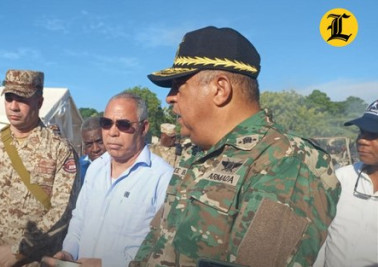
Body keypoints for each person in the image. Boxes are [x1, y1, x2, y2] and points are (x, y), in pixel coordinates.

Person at [131, 26, 340, 266]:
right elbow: (157, 240)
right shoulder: (195, 153)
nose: (169, 96)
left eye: (179, 84)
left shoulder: (287, 161)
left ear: (220, 89)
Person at [0, 69, 78, 267]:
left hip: (40, 261)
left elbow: (63, 210)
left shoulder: (60, 149)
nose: (14, 107)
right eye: (9, 98)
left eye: (22, 99)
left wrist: (18, 251)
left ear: (39, 102)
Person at [46, 92, 173, 267]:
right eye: (106, 123)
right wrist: (69, 252)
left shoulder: (163, 177)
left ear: (144, 128)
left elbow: (164, 247)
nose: (112, 132)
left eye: (123, 125)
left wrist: (107, 264)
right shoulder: (96, 168)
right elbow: (80, 219)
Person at [314, 100, 378, 267]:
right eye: (361, 132)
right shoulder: (341, 178)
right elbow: (321, 236)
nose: (362, 141)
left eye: (374, 135)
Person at [79, 117, 106, 184]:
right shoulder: (78, 169)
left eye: (100, 142)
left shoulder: (122, 166)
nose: (95, 149)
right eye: (89, 144)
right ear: (84, 147)